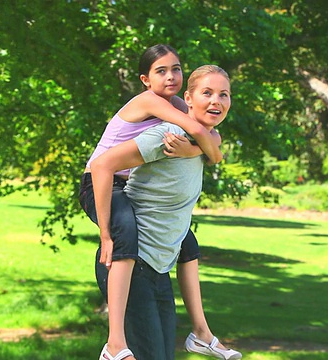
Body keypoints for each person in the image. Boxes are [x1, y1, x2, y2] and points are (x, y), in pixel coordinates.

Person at [79, 45, 240, 360]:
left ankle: (201, 332)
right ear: (144, 78)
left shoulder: (179, 110)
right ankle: (113, 345)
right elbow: (195, 129)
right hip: (99, 183)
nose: (171, 76)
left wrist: (196, 150)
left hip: (152, 253)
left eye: (176, 69)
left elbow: (207, 135)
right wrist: (105, 235)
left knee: (186, 239)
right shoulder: (154, 108)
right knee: (123, 229)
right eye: (161, 71)